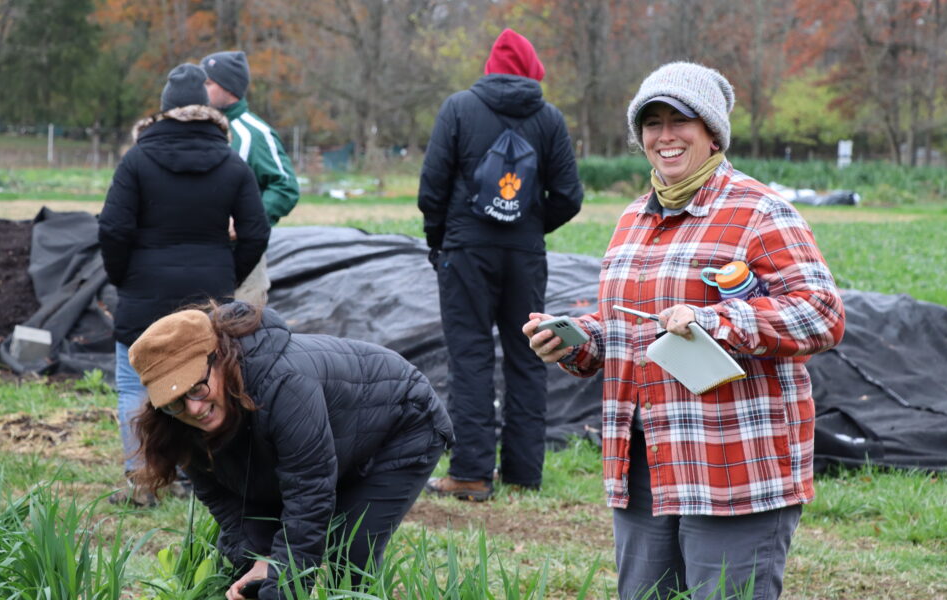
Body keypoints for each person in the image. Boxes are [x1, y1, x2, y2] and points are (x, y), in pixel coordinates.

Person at [523, 62, 846, 600]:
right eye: (652, 123)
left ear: (712, 133)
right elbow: (628, 326)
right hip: (644, 466)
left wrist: (718, 321)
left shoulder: (760, 212)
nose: (665, 136)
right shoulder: (633, 220)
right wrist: (578, 341)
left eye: (680, 121)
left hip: (733, 467)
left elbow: (822, 314)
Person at [127, 301, 453, 599]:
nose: (194, 409)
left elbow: (308, 495)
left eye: (197, 388)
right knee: (251, 564)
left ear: (220, 358)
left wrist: (280, 584)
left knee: (350, 554)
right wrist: (263, 559)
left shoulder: (284, 384)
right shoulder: (177, 426)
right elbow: (226, 501)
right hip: (335, 439)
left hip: (400, 423)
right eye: (174, 402)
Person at [418, 28, 584, 501]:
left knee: (469, 356)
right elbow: (569, 196)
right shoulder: (549, 118)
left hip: (466, 253)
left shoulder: (459, 108)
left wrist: (441, 239)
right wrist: (529, 227)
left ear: (490, 68)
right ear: (532, 71)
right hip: (524, 257)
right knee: (530, 354)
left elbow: (432, 186)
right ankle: (523, 473)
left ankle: (471, 473)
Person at [99, 63, 269, 507]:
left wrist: (123, 276)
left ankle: (144, 482)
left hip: (143, 291)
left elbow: (113, 228)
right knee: (208, 380)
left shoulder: (137, 160)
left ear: (163, 110)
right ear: (207, 109)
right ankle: (205, 479)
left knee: (135, 384)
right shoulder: (231, 164)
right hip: (207, 298)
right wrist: (228, 277)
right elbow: (256, 232)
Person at [200, 50, 300, 307]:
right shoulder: (199, 129)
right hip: (201, 258)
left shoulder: (254, 133)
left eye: (208, 83)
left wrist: (249, 221)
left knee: (240, 328)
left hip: (243, 261)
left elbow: (285, 186)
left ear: (229, 87)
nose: (202, 88)